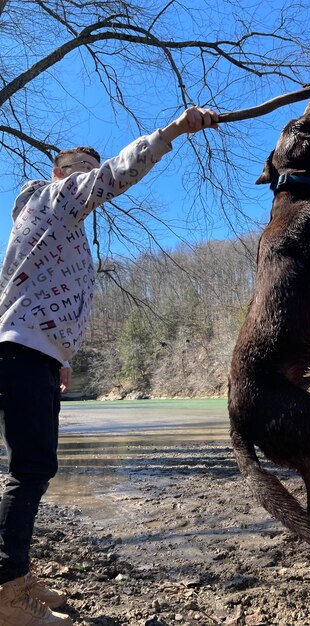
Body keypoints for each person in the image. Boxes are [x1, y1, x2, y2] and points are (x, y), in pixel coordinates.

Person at [0, 106, 219, 625]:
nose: (88, 177)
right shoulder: (53, 199)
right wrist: (172, 132)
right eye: (80, 167)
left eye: (88, 168)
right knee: (30, 471)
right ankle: (7, 596)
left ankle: (16, 573)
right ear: (59, 171)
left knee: (31, 469)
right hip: (22, 351)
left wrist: (62, 359)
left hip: (31, 353)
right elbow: (117, 172)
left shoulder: (54, 224)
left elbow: (31, 296)